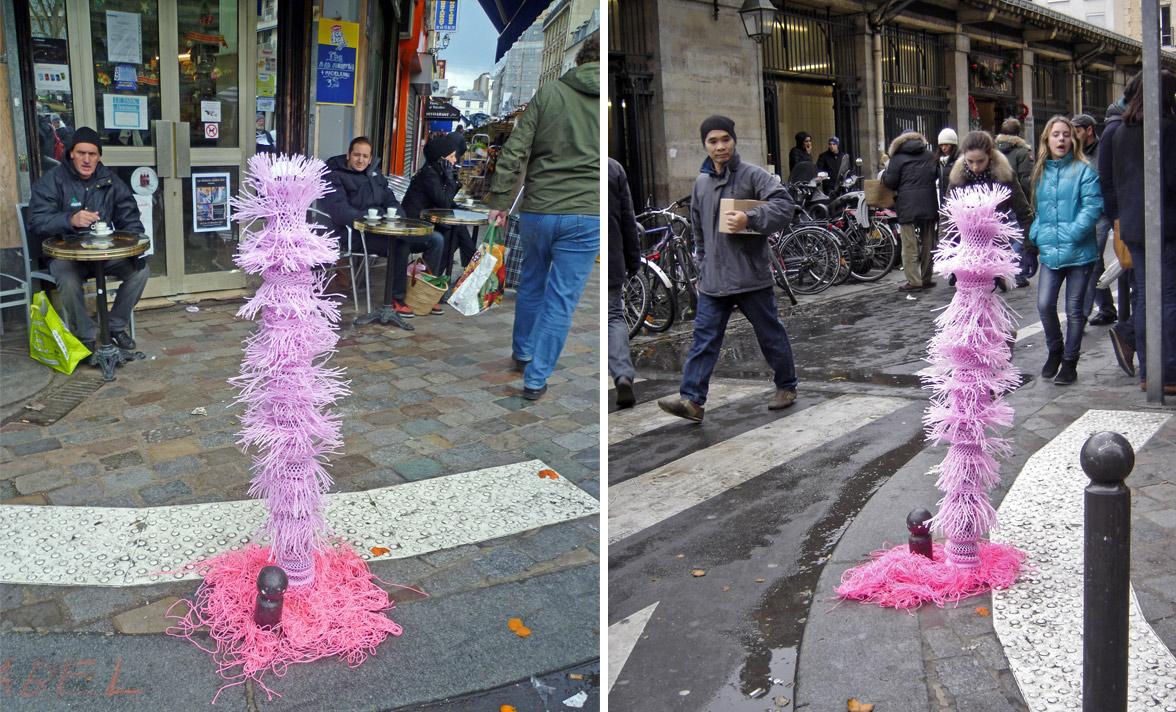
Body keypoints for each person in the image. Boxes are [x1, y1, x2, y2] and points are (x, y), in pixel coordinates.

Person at [656, 115, 798, 422]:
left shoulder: (752, 175)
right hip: (713, 279)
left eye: (725, 139)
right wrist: (701, 261)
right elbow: (698, 229)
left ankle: (786, 386)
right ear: (704, 145)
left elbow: (785, 205)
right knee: (704, 339)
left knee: (769, 334)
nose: (720, 146)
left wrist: (751, 218)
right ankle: (692, 400)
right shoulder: (701, 183)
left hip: (750, 277)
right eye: (712, 141)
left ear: (734, 141)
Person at [485, 37, 600, 401]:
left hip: (538, 208)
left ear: (579, 58)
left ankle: (522, 352)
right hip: (586, 212)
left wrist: (501, 200)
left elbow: (514, 150)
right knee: (561, 299)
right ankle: (536, 379)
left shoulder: (550, 93)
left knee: (532, 282)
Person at [27, 126, 148, 352]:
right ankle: (88, 337)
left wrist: (132, 246)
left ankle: (113, 327)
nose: (86, 159)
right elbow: (36, 221)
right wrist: (70, 219)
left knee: (140, 271)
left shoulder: (109, 180)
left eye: (92, 154)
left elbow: (129, 217)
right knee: (68, 279)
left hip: (101, 254)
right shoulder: (53, 180)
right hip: (66, 256)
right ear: (71, 153)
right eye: (81, 153)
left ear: (99, 156)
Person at [1103, 70, 1176, 394]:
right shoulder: (1169, 128)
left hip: (1134, 225)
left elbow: (1113, 183)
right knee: (1170, 297)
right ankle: (1170, 372)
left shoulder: (1120, 132)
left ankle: (1149, 370)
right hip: (1167, 224)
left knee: (1146, 297)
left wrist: (1119, 217)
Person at [1027, 115, 1103, 385]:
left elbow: (1093, 207)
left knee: (1074, 310)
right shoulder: (1040, 172)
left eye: (1066, 134)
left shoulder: (1084, 169)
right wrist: (1036, 232)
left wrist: (1071, 233)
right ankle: (1055, 350)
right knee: (1045, 304)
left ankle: (1070, 362)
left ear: (1074, 139)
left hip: (1079, 252)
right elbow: (1039, 210)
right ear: (1046, 139)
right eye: (1056, 134)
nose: (1061, 139)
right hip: (1050, 250)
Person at [1098, 74, 1141, 377]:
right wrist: (1118, 221)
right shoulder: (1119, 130)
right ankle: (1129, 333)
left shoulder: (1123, 127)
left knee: (1142, 288)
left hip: (1132, 220)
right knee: (1145, 288)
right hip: (1133, 222)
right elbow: (1109, 181)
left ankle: (1130, 334)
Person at [398, 134, 465, 316]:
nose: (454, 160)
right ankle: (429, 285)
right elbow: (443, 201)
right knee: (443, 238)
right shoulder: (429, 173)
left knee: (455, 233)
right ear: (441, 158)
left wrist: (452, 180)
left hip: (426, 223)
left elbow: (446, 202)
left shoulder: (436, 172)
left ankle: (430, 285)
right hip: (412, 226)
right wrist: (451, 180)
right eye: (451, 157)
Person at [944, 130, 1033, 257]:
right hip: (963, 249)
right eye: (970, 161)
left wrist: (1029, 248)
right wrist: (948, 247)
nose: (975, 167)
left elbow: (1023, 212)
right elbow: (947, 214)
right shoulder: (958, 178)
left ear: (990, 155)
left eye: (980, 161)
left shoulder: (1004, 176)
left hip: (996, 248)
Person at [1070, 113, 1116, 326]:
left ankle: (1082, 313)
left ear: (1089, 130)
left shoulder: (1103, 150)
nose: (1072, 135)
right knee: (1093, 261)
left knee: (1091, 258)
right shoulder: (1073, 153)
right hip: (1083, 213)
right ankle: (1106, 308)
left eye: (1076, 130)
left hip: (1102, 212)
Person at [882, 130, 939, 292]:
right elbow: (934, 175)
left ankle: (914, 280)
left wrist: (885, 175)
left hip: (907, 205)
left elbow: (891, 182)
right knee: (928, 242)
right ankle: (926, 277)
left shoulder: (897, 158)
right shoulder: (929, 155)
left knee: (909, 244)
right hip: (928, 202)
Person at [608, 158, 641, 409]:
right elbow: (628, 219)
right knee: (613, 316)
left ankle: (622, 376)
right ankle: (622, 374)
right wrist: (632, 260)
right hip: (611, 254)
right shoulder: (613, 167)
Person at [936, 128, 959, 203]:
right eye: (941, 145)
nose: (943, 148)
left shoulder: (959, 159)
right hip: (943, 197)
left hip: (956, 199)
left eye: (946, 145)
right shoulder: (938, 161)